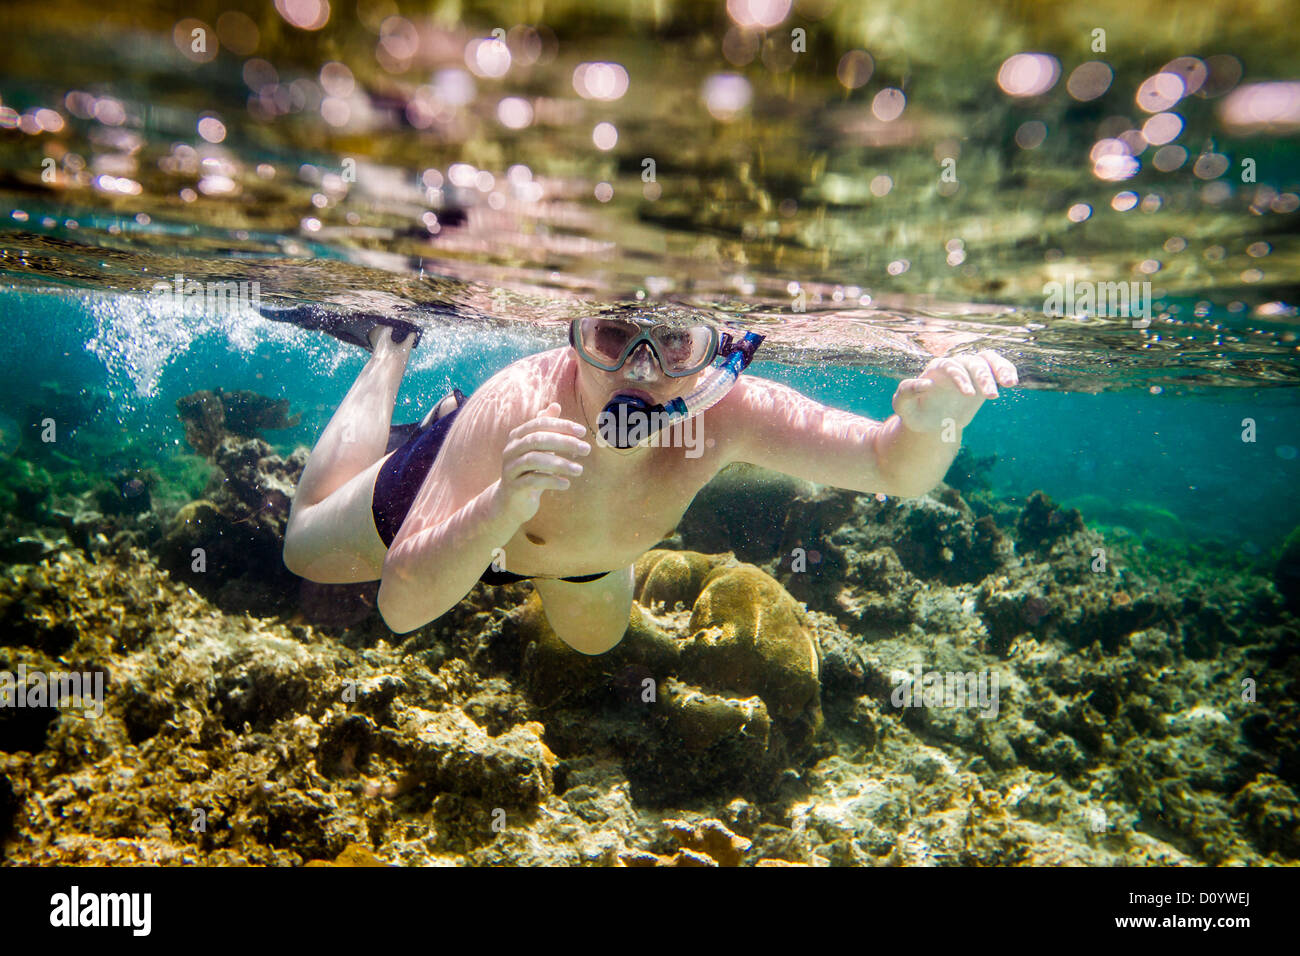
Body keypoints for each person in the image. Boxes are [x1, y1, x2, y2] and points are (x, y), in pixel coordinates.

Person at [281, 311, 1018, 654]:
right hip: (464, 503)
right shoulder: (520, 404)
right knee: (303, 547)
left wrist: (937, 424)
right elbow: (404, 609)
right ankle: (391, 344)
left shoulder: (731, 414)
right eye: (613, 336)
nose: (639, 368)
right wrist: (504, 500)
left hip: (580, 556)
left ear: (720, 354)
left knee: (598, 643)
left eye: (672, 342)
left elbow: (892, 467)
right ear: (579, 339)